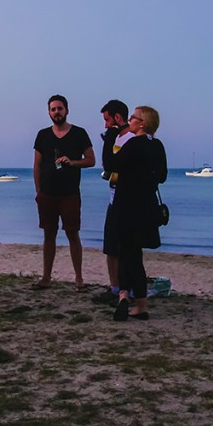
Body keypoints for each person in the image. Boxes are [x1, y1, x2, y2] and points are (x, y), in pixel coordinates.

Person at [102, 105, 167, 321]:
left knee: (126, 254)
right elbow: (162, 176)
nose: (130, 120)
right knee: (134, 254)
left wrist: (110, 138)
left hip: (127, 206)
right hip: (146, 207)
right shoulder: (157, 146)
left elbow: (110, 164)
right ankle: (134, 301)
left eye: (134, 117)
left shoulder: (135, 143)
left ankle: (131, 300)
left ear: (142, 123)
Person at [31, 95, 95, 290]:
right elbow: (37, 165)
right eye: (53, 109)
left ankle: (79, 279)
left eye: (59, 108)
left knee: (72, 234)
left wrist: (72, 162)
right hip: (47, 195)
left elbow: (91, 160)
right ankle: (46, 278)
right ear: (49, 112)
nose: (56, 112)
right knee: (48, 235)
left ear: (66, 110)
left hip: (70, 194)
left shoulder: (79, 133)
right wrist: (38, 191)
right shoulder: (43, 135)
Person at [95, 99, 132, 306]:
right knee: (110, 246)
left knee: (126, 248)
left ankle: (127, 289)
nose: (105, 125)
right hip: (113, 198)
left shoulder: (132, 139)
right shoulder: (114, 139)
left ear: (117, 118)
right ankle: (114, 287)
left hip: (127, 201)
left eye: (107, 120)